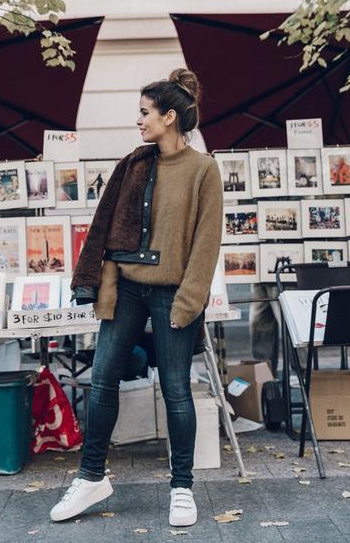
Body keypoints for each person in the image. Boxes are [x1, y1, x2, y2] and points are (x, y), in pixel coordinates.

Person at [50, 68, 222, 527]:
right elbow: (105, 223)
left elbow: (206, 244)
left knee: (176, 391)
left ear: (170, 117)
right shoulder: (134, 163)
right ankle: (91, 478)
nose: (139, 121)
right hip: (124, 286)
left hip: (172, 294)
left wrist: (189, 302)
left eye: (145, 113)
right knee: (102, 378)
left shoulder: (204, 169)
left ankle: (182, 487)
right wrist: (89, 279)